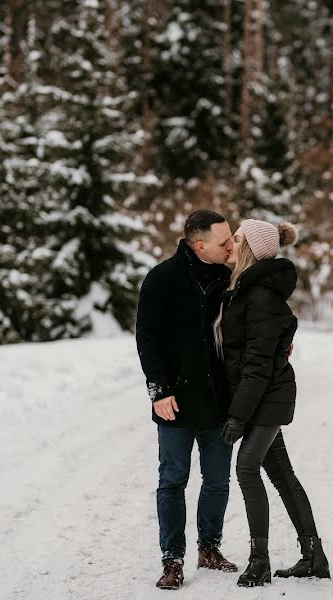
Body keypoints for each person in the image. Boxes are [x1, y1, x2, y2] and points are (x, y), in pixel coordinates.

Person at [214, 218, 331, 587]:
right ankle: (314, 556)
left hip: (268, 395)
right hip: (260, 395)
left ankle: (259, 560)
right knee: (280, 474)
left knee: (247, 467)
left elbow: (258, 366)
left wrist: (237, 416)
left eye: (235, 239)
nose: (229, 245)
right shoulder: (244, 289)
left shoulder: (261, 295)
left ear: (248, 246)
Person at [135, 210, 239, 590]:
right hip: (174, 400)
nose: (232, 245)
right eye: (224, 241)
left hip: (218, 401)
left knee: (217, 481)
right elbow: (147, 338)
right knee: (173, 479)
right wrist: (159, 391)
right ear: (200, 246)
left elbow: (248, 326)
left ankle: (209, 548)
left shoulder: (229, 278)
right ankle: (172, 559)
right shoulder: (162, 279)